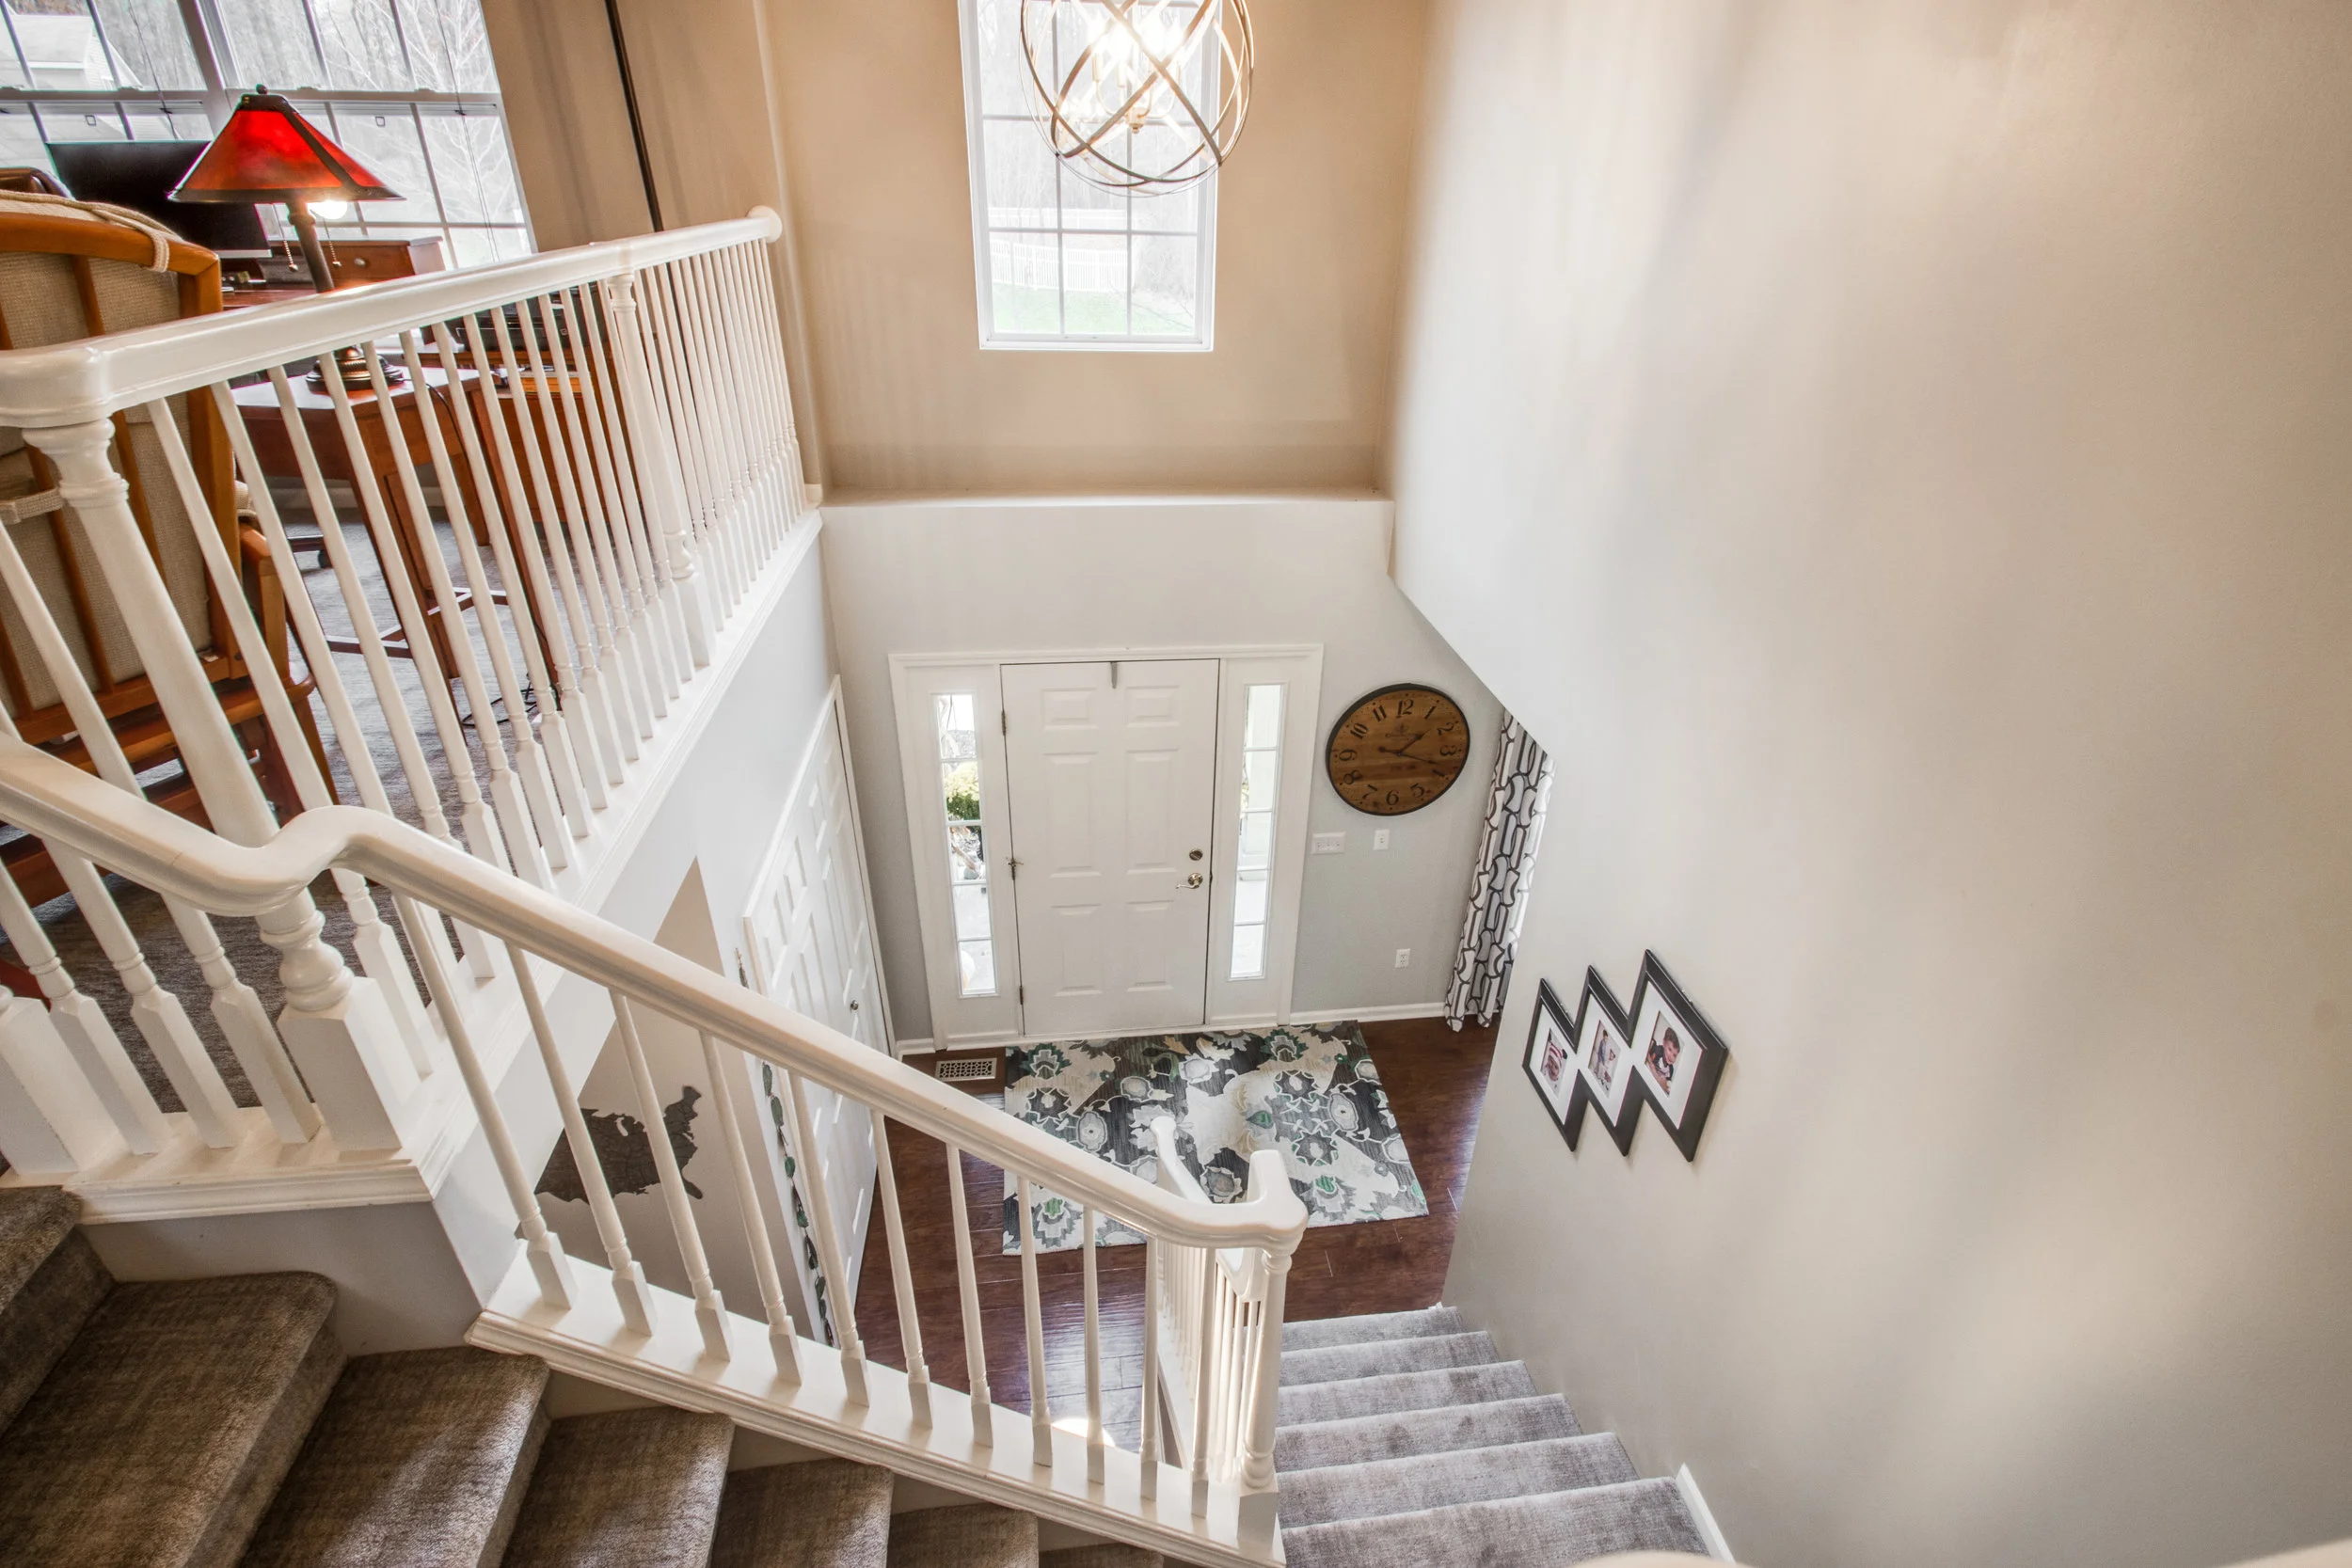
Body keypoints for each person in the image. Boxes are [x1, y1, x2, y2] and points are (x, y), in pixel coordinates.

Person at [1646, 1022, 1681, 1091]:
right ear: (1664, 1043)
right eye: (1669, 1049)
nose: (1671, 1056)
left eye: (1674, 1055)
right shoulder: (1659, 1050)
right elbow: (1651, 1063)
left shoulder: (1671, 1069)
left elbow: (1667, 1083)